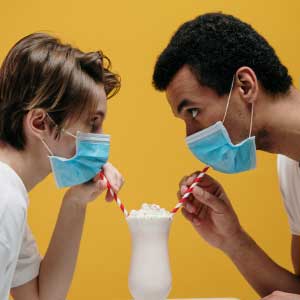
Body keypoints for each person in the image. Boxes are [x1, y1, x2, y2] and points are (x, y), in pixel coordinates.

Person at [153, 12, 300, 300]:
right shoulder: (290, 167)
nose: (189, 136)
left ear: (245, 86)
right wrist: (232, 239)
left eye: (193, 112)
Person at [0, 33, 124, 299]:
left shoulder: (10, 194)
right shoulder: (4, 201)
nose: (100, 137)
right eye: (93, 122)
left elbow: (41, 297)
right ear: (40, 123)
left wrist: (76, 201)